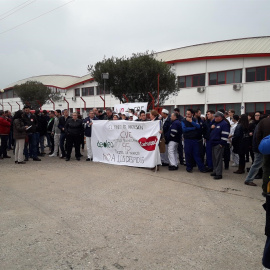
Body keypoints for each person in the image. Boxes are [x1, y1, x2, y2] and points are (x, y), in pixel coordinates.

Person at [182, 108, 207, 173]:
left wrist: (191, 122)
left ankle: (201, 168)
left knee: (197, 154)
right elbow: (184, 129)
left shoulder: (194, 120)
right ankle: (189, 167)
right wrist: (193, 128)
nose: (187, 115)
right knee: (188, 154)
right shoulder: (183, 120)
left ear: (192, 114)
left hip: (195, 140)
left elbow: (198, 127)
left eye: (189, 114)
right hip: (187, 140)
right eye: (186, 114)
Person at [209, 111, 230, 180]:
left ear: (220, 117)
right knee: (214, 159)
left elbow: (225, 135)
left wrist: (222, 143)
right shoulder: (215, 123)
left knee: (218, 159)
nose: (214, 118)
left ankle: (219, 174)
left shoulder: (224, 124)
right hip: (213, 143)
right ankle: (215, 171)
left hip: (219, 144)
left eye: (216, 116)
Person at [256, 116, 270, 197]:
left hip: (267, 148)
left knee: (266, 169)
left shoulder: (264, 121)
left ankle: (265, 190)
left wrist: (260, 147)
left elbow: (258, 135)